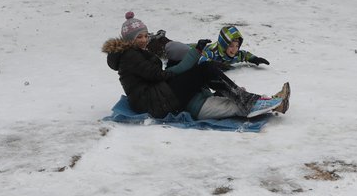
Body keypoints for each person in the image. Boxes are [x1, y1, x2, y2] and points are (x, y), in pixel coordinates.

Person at [102, 12, 289, 120]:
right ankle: (248, 101)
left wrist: (190, 61)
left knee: (199, 69)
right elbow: (157, 75)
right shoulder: (130, 56)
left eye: (145, 35)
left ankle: (248, 98)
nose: (144, 40)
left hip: (155, 96)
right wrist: (188, 69)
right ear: (129, 40)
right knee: (205, 69)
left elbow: (157, 75)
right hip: (154, 102)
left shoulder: (133, 53)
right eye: (139, 37)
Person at [198, 25, 269, 69]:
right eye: (231, 46)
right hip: (195, 48)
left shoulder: (235, 54)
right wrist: (213, 64)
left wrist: (255, 59)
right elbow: (200, 57)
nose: (235, 49)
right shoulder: (214, 53)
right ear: (224, 45)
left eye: (237, 46)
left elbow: (244, 55)